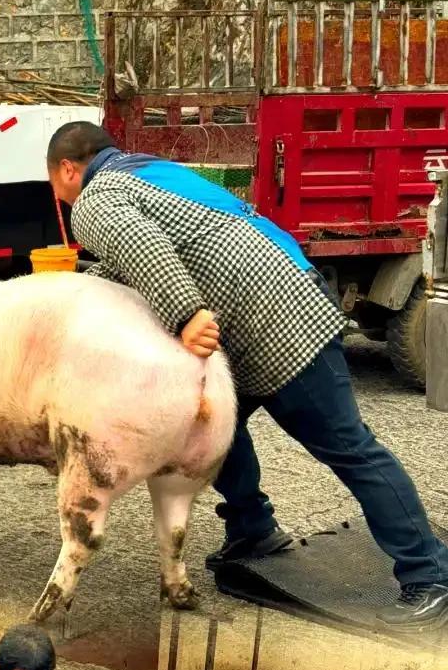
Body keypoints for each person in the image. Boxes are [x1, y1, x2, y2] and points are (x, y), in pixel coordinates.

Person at [47, 122, 448, 632]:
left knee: (350, 448)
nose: (57, 195)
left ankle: (429, 575)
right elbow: (166, 247)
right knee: (212, 429)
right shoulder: (147, 171)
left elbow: (147, 249)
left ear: (67, 169)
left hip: (281, 322)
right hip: (278, 299)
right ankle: (253, 530)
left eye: (53, 183)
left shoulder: (96, 199)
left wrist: (187, 315)